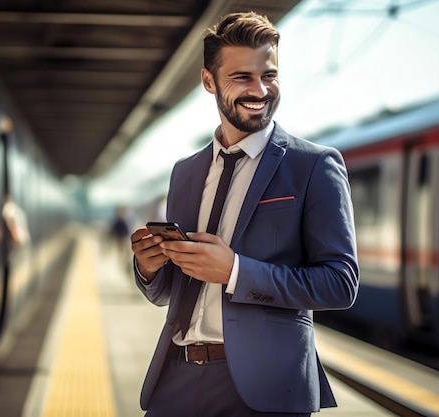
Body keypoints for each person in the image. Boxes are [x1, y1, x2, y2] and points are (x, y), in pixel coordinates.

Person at [130, 11, 359, 416]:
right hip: (176, 381)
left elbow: (340, 283)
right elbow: (171, 291)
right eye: (242, 77)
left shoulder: (314, 166)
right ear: (208, 81)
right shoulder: (185, 171)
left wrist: (235, 271)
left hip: (265, 391)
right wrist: (150, 269)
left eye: (269, 75)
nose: (260, 90)